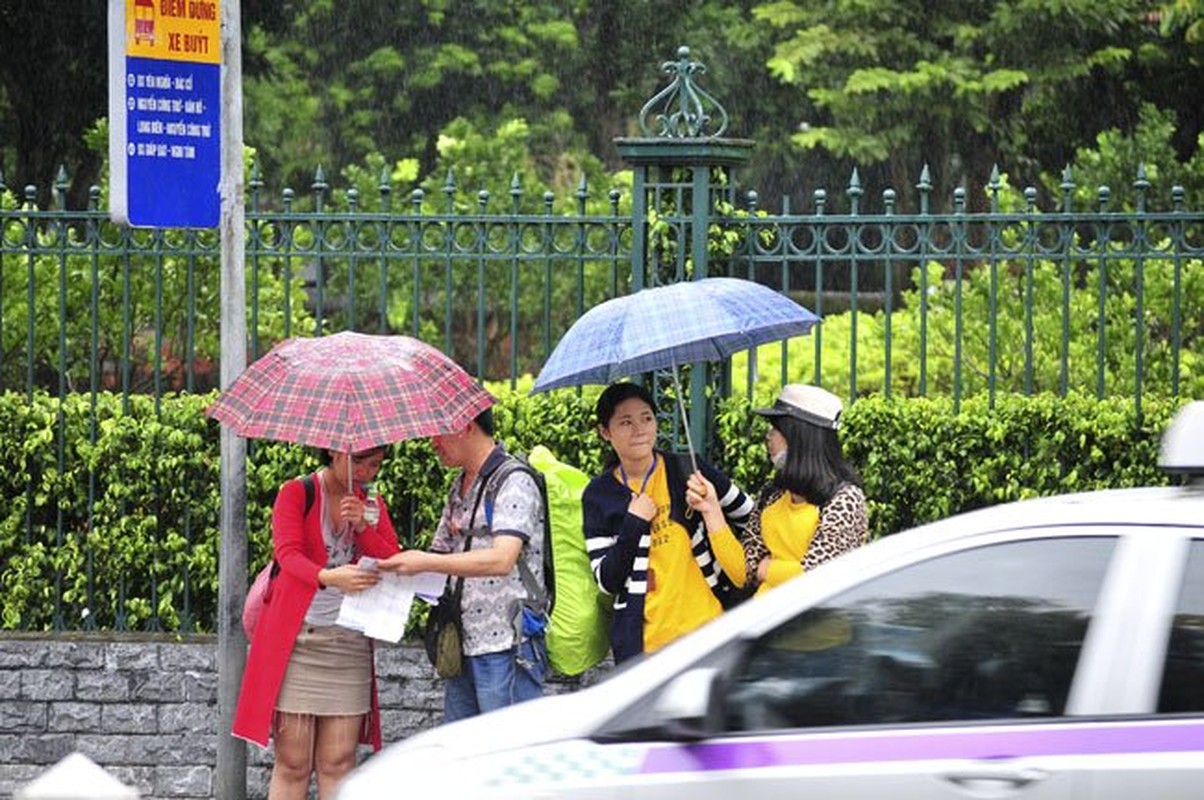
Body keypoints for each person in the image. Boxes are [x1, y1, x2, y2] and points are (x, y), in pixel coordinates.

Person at [233, 445, 400, 800]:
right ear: (335, 452)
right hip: (298, 641)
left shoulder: (371, 504)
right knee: (293, 762)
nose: (367, 472)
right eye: (360, 462)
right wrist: (329, 576)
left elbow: (393, 562)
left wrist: (363, 528)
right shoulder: (297, 492)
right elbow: (287, 554)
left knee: (339, 762)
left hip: (348, 643)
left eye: (375, 465)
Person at [380, 408, 547, 722]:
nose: (432, 443)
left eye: (437, 433)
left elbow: (502, 558)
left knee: (508, 750)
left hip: (507, 643)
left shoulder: (514, 480)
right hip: (462, 643)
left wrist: (426, 561)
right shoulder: (460, 486)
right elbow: (438, 556)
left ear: (466, 426)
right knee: (464, 751)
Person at [582, 381, 755, 666]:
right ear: (605, 431)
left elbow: (750, 516)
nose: (640, 430)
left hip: (709, 632)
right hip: (646, 649)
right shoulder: (599, 495)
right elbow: (606, 581)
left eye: (647, 418)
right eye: (626, 422)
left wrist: (712, 509)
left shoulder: (686, 470)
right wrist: (634, 523)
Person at [687, 383, 868, 597]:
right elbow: (743, 572)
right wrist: (711, 509)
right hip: (768, 623)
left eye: (775, 429)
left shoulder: (845, 499)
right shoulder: (773, 494)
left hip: (815, 628)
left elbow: (818, 578)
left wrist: (765, 569)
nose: (768, 436)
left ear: (799, 436)